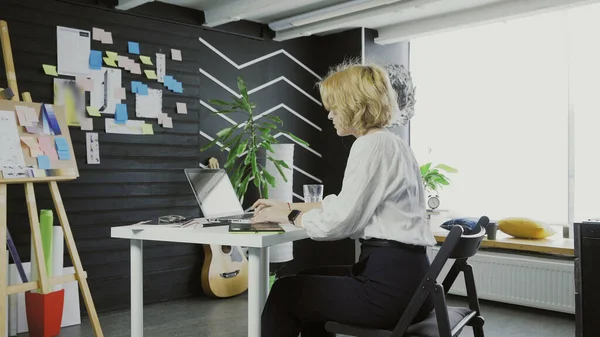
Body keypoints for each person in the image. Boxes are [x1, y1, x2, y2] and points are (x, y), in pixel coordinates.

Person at [251, 62, 437, 337]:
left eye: (334, 106)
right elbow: (348, 202)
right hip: (411, 283)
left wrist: (288, 217)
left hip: (388, 291)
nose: (329, 115)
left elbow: (338, 223)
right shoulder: (392, 143)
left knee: (285, 293)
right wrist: (288, 206)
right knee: (303, 285)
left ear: (355, 104)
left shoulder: (370, 145)